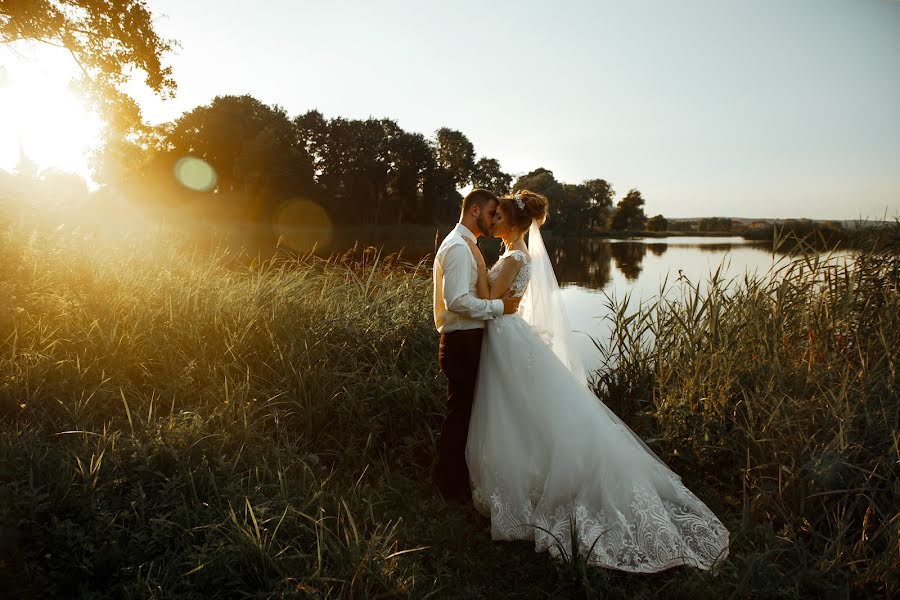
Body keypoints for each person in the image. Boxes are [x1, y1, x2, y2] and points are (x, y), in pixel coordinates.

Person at [462, 190, 730, 572]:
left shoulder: (514, 257)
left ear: (516, 223)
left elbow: (487, 294)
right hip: (506, 335)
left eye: (500, 217)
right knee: (521, 413)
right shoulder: (515, 255)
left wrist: (472, 258)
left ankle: (528, 488)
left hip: (506, 337)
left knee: (513, 411)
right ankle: (528, 476)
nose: (495, 222)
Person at [432, 188, 521, 503]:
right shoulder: (457, 248)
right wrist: (499, 309)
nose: (492, 220)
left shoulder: (468, 245)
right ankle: (449, 485)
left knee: (467, 412)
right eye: (489, 214)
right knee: (461, 413)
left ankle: (458, 479)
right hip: (461, 342)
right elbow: (456, 301)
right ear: (473, 211)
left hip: (470, 340)